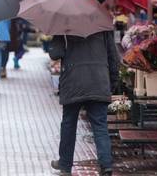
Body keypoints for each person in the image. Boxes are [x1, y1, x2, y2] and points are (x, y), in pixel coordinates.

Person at [48, 31, 119, 176]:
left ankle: (65, 165)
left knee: (69, 124)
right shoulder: (101, 26)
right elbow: (113, 57)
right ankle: (106, 165)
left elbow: (55, 53)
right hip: (98, 81)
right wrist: (112, 82)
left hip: (73, 82)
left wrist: (57, 36)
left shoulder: (65, 25)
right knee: (100, 125)